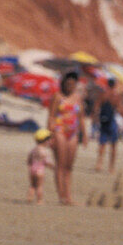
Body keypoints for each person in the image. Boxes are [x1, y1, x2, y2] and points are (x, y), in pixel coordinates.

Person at [47, 72, 85, 205]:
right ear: (63, 83)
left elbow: (81, 117)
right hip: (59, 131)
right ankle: (61, 196)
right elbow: (51, 117)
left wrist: (84, 135)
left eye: (73, 84)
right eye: (68, 84)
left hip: (73, 133)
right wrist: (50, 136)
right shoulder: (58, 97)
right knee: (60, 165)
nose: (70, 86)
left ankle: (68, 196)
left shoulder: (78, 97)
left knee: (69, 166)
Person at [28, 129, 56, 204]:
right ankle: (39, 200)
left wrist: (30, 164)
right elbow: (47, 161)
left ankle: (30, 197)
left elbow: (29, 159)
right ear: (45, 141)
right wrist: (53, 167)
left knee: (32, 185)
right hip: (40, 170)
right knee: (40, 186)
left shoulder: (34, 150)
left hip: (32, 169)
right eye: (49, 139)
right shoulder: (44, 151)